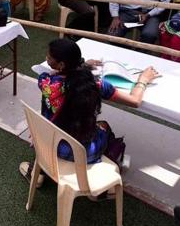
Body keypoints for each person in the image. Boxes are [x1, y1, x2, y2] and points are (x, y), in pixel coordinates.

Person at [19, 38, 159, 186]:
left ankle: (36, 173)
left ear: (61, 65)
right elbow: (135, 101)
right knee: (104, 126)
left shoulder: (46, 82)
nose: (47, 59)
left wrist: (78, 67)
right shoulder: (95, 85)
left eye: (49, 57)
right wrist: (143, 79)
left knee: (56, 119)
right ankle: (108, 169)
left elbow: (55, 74)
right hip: (83, 152)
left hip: (47, 143)